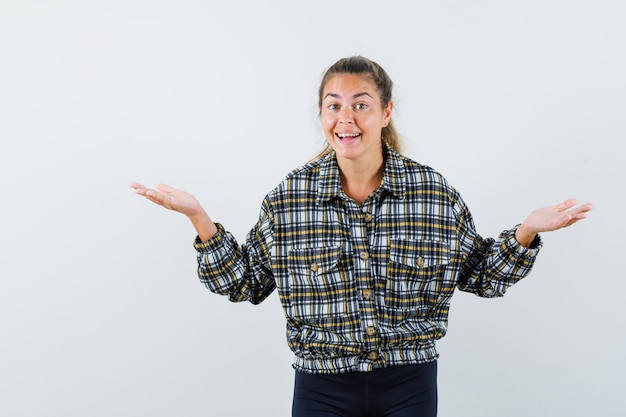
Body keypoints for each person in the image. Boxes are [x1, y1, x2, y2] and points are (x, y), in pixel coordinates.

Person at [130, 56, 593, 417]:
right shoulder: (290, 198)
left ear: (386, 111)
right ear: (321, 113)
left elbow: (480, 275)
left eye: (361, 104)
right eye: (334, 104)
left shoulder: (432, 193)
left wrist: (527, 230)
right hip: (321, 387)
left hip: (409, 385)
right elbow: (245, 283)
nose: (346, 117)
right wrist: (199, 218)